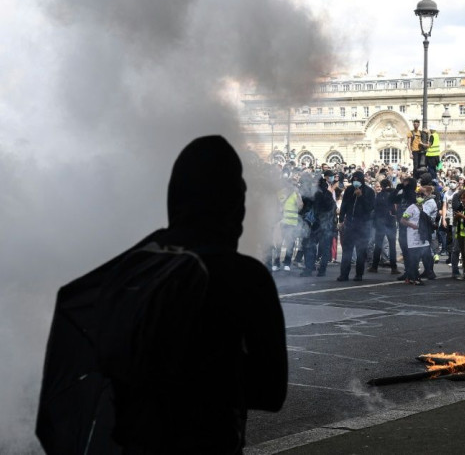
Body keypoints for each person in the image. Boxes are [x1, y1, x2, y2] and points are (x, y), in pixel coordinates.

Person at [38, 136, 288, 454]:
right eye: (238, 195)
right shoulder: (245, 276)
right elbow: (271, 392)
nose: (242, 208)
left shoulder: (133, 268)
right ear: (227, 201)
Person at [337, 170, 375, 281]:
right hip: (349, 224)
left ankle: (359, 274)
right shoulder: (349, 190)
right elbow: (344, 205)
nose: (356, 182)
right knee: (347, 251)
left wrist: (361, 196)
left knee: (361, 251)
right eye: (354, 180)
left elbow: (369, 208)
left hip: (363, 225)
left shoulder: (369, 191)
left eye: (358, 180)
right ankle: (344, 274)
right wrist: (341, 220)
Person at [301, 170, 338, 277]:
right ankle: (320, 270)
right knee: (322, 248)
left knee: (312, 246)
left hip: (318, 225)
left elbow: (305, 208)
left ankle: (310, 269)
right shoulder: (325, 194)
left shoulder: (318, 194)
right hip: (322, 225)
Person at [399, 188, 431, 286]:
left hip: (423, 236)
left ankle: (410, 276)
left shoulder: (425, 207)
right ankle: (414, 278)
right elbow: (402, 220)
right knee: (414, 258)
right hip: (413, 237)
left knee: (425, 256)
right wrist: (412, 225)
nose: (420, 197)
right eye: (419, 195)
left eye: (422, 196)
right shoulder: (411, 207)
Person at [368, 178, 399, 274]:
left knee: (378, 245)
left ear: (381, 186)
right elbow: (395, 209)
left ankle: (374, 266)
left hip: (380, 223)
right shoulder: (392, 194)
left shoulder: (378, 196)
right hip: (391, 222)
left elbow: (375, 209)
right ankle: (394, 268)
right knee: (392, 246)